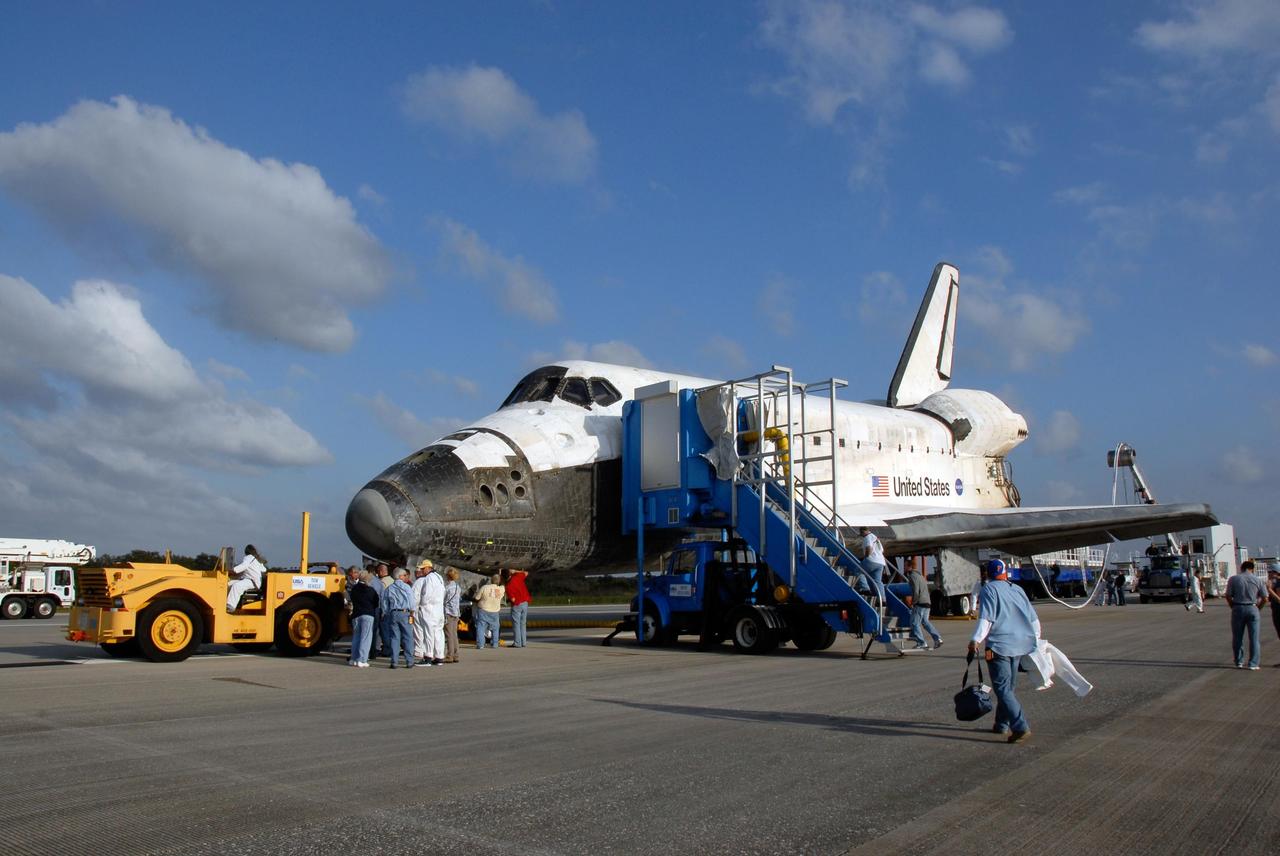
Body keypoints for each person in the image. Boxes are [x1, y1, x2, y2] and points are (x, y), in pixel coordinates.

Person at [967, 559, 1041, 743]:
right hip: (1019, 645)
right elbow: (1034, 620)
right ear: (1005, 572)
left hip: (999, 645)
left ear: (988, 573)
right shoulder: (1017, 589)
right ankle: (1001, 724)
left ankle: (1020, 726)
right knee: (1009, 688)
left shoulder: (989, 590)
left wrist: (975, 640)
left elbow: (987, 619)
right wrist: (1036, 640)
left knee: (1002, 689)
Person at [1226, 560, 1266, 670]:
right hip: (1252, 607)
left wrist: (1232, 606)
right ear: (1252, 569)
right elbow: (1265, 597)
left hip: (1238, 607)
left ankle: (1239, 661)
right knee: (1254, 638)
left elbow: (1228, 595)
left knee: (1237, 637)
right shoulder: (1258, 580)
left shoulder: (1234, 579)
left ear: (1242, 568)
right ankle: (1253, 663)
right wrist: (1258, 608)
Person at [412, 559, 446, 666]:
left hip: (429, 610)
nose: (422, 571)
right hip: (439, 610)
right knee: (438, 633)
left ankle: (428, 657)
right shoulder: (439, 577)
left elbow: (427, 594)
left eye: (423, 568)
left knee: (428, 634)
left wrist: (421, 604)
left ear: (428, 568)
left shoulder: (429, 578)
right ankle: (439, 656)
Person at [382, 569, 416, 668]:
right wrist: (412, 612)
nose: (406, 577)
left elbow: (384, 603)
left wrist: (387, 613)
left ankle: (394, 661)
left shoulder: (389, 588)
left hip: (393, 613)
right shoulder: (406, 587)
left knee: (394, 637)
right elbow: (411, 601)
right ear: (400, 576)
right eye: (405, 575)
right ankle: (409, 661)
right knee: (408, 637)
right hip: (405, 612)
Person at [906, 564, 942, 650]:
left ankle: (922, 643)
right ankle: (938, 639)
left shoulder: (912, 576)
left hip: (920, 603)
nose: (904, 568)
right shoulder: (921, 576)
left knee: (915, 623)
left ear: (910, 567)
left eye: (905, 566)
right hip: (927, 602)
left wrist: (913, 602)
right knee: (925, 622)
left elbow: (916, 590)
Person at [347, 569, 380, 667]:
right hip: (368, 614)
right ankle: (362, 659)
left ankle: (353, 658)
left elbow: (351, 599)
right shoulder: (370, 590)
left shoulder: (354, 589)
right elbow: (376, 602)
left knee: (356, 637)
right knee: (366, 638)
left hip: (356, 614)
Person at [226, 545, 266, 611]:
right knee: (229, 584)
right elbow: (264, 569)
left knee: (237, 586)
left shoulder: (249, 558)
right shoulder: (256, 560)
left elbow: (243, 566)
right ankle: (225, 602)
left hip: (252, 581)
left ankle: (231, 606)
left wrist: (233, 570)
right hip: (251, 580)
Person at [854, 527, 887, 602]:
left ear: (864, 531)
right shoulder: (875, 537)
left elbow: (869, 548)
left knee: (858, 571)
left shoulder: (867, 537)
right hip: (881, 562)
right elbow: (882, 550)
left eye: (861, 533)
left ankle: (865, 589)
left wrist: (865, 557)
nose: (861, 535)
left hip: (872, 560)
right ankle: (882, 600)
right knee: (878, 581)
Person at [474, 574, 505, 649]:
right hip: (495, 611)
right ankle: (495, 644)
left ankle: (480, 644)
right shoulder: (501, 589)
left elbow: (477, 598)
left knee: (481, 627)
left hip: (483, 610)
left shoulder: (484, 587)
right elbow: (503, 585)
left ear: (491, 580)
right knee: (495, 628)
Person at [504, 568, 531, 647]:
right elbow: (526, 572)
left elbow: (513, 599)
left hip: (517, 605)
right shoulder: (517, 577)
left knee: (516, 624)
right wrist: (515, 571)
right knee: (523, 624)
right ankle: (523, 642)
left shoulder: (508, 586)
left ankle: (517, 643)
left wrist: (507, 600)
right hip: (525, 603)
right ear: (510, 574)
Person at [443, 568, 462, 663]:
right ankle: (456, 654)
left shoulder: (447, 588)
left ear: (448, 576)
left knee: (449, 635)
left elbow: (444, 600)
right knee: (454, 634)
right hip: (456, 612)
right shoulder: (458, 587)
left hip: (448, 612)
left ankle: (450, 655)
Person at [1267, 563, 1280, 647]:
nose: (1268, 574)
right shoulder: (1275, 583)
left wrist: (1269, 589)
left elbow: (1279, 599)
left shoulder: (1279, 583)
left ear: (1276, 572)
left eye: (1270, 572)